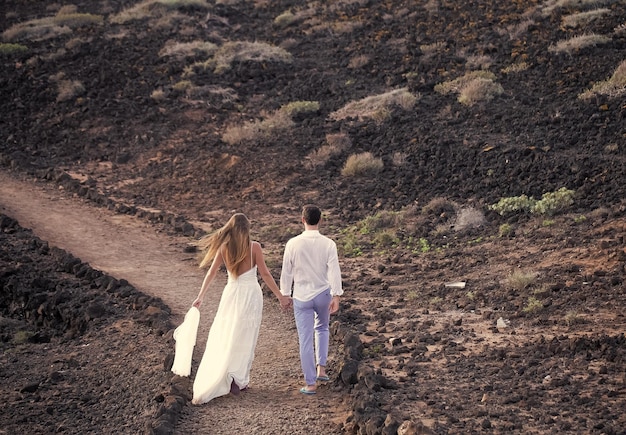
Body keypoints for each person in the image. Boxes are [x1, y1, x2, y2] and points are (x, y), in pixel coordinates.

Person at [191, 213, 290, 405]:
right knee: (246, 336)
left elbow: (211, 273)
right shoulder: (254, 247)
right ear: (247, 229)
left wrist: (200, 296)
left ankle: (229, 375)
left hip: (232, 293)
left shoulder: (224, 247)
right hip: (251, 294)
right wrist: (280, 296)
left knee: (229, 333)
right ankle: (239, 379)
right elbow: (265, 274)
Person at [280, 205, 343, 395]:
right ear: (320, 220)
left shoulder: (293, 243)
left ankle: (310, 383)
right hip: (323, 293)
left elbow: (286, 271)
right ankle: (321, 370)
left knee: (305, 340)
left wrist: (285, 293)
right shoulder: (329, 243)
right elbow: (334, 271)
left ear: (302, 220)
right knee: (322, 328)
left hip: (301, 296)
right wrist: (336, 295)